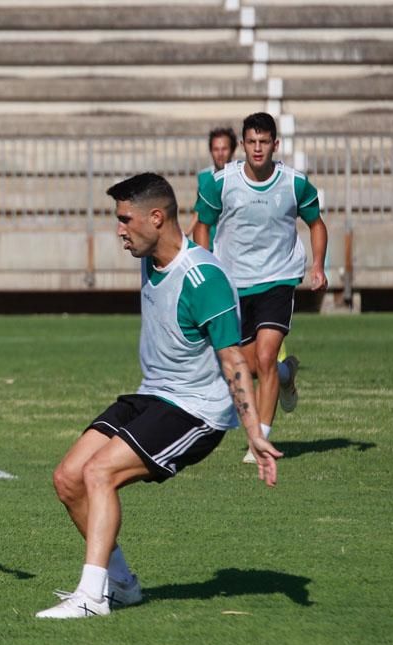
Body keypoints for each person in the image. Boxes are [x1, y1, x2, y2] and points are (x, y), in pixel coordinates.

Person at [36, 173, 281, 619]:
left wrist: (254, 432)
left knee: (99, 474)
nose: (119, 229)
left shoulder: (204, 279)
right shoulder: (150, 256)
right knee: (69, 478)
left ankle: (92, 597)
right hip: (153, 394)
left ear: (157, 217)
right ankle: (123, 585)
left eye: (126, 219)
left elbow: (234, 361)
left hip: (196, 411)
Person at [193, 113, 328, 463]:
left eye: (264, 142)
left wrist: (317, 265)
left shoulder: (294, 183)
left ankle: (261, 439)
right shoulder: (220, 183)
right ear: (243, 144)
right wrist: (206, 269)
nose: (257, 148)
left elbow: (316, 224)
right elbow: (202, 227)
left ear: (275, 145)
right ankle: (287, 375)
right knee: (249, 366)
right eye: (251, 141)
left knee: (266, 356)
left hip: (279, 279)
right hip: (234, 283)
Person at [185, 126, 237, 240]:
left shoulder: (240, 177)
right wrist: (187, 232)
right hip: (210, 243)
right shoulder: (204, 177)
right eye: (216, 149)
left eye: (224, 149)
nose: (220, 153)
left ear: (232, 150)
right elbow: (200, 210)